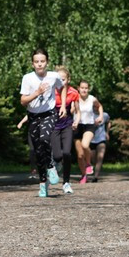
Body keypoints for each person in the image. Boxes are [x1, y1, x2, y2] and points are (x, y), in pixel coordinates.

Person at [19, 49, 64, 198]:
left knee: (45, 138)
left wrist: (63, 106)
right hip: (33, 116)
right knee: (38, 151)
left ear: (47, 62)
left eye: (42, 61)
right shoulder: (28, 78)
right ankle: (43, 183)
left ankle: (51, 166)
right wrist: (37, 93)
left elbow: (62, 88)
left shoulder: (53, 76)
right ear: (32, 64)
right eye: (36, 62)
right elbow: (23, 101)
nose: (39, 64)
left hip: (49, 114)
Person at [50, 67, 80, 195]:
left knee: (67, 153)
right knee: (57, 156)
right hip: (54, 126)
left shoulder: (73, 92)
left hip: (67, 125)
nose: (61, 82)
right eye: (58, 79)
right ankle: (56, 163)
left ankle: (66, 182)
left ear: (68, 80)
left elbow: (78, 111)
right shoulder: (51, 91)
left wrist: (76, 121)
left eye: (63, 79)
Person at [73, 80, 104, 184]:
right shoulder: (75, 98)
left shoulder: (92, 99)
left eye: (86, 88)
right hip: (77, 126)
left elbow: (100, 106)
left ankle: (88, 163)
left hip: (89, 125)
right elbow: (71, 110)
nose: (84, 90)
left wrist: (100, 116)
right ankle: (83, 175)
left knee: (85, 145)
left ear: (88, 89)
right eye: (82, 88)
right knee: (80, 155)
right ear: (78, 88)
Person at [89, 111, 110, 182]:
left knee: (100, 157)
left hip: (101, 139)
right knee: (93, 159)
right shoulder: (90, 115)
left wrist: (107, 132)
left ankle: (96, 176)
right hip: (92, 140)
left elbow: (109, 122)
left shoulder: (105, 115)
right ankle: (95, 169)